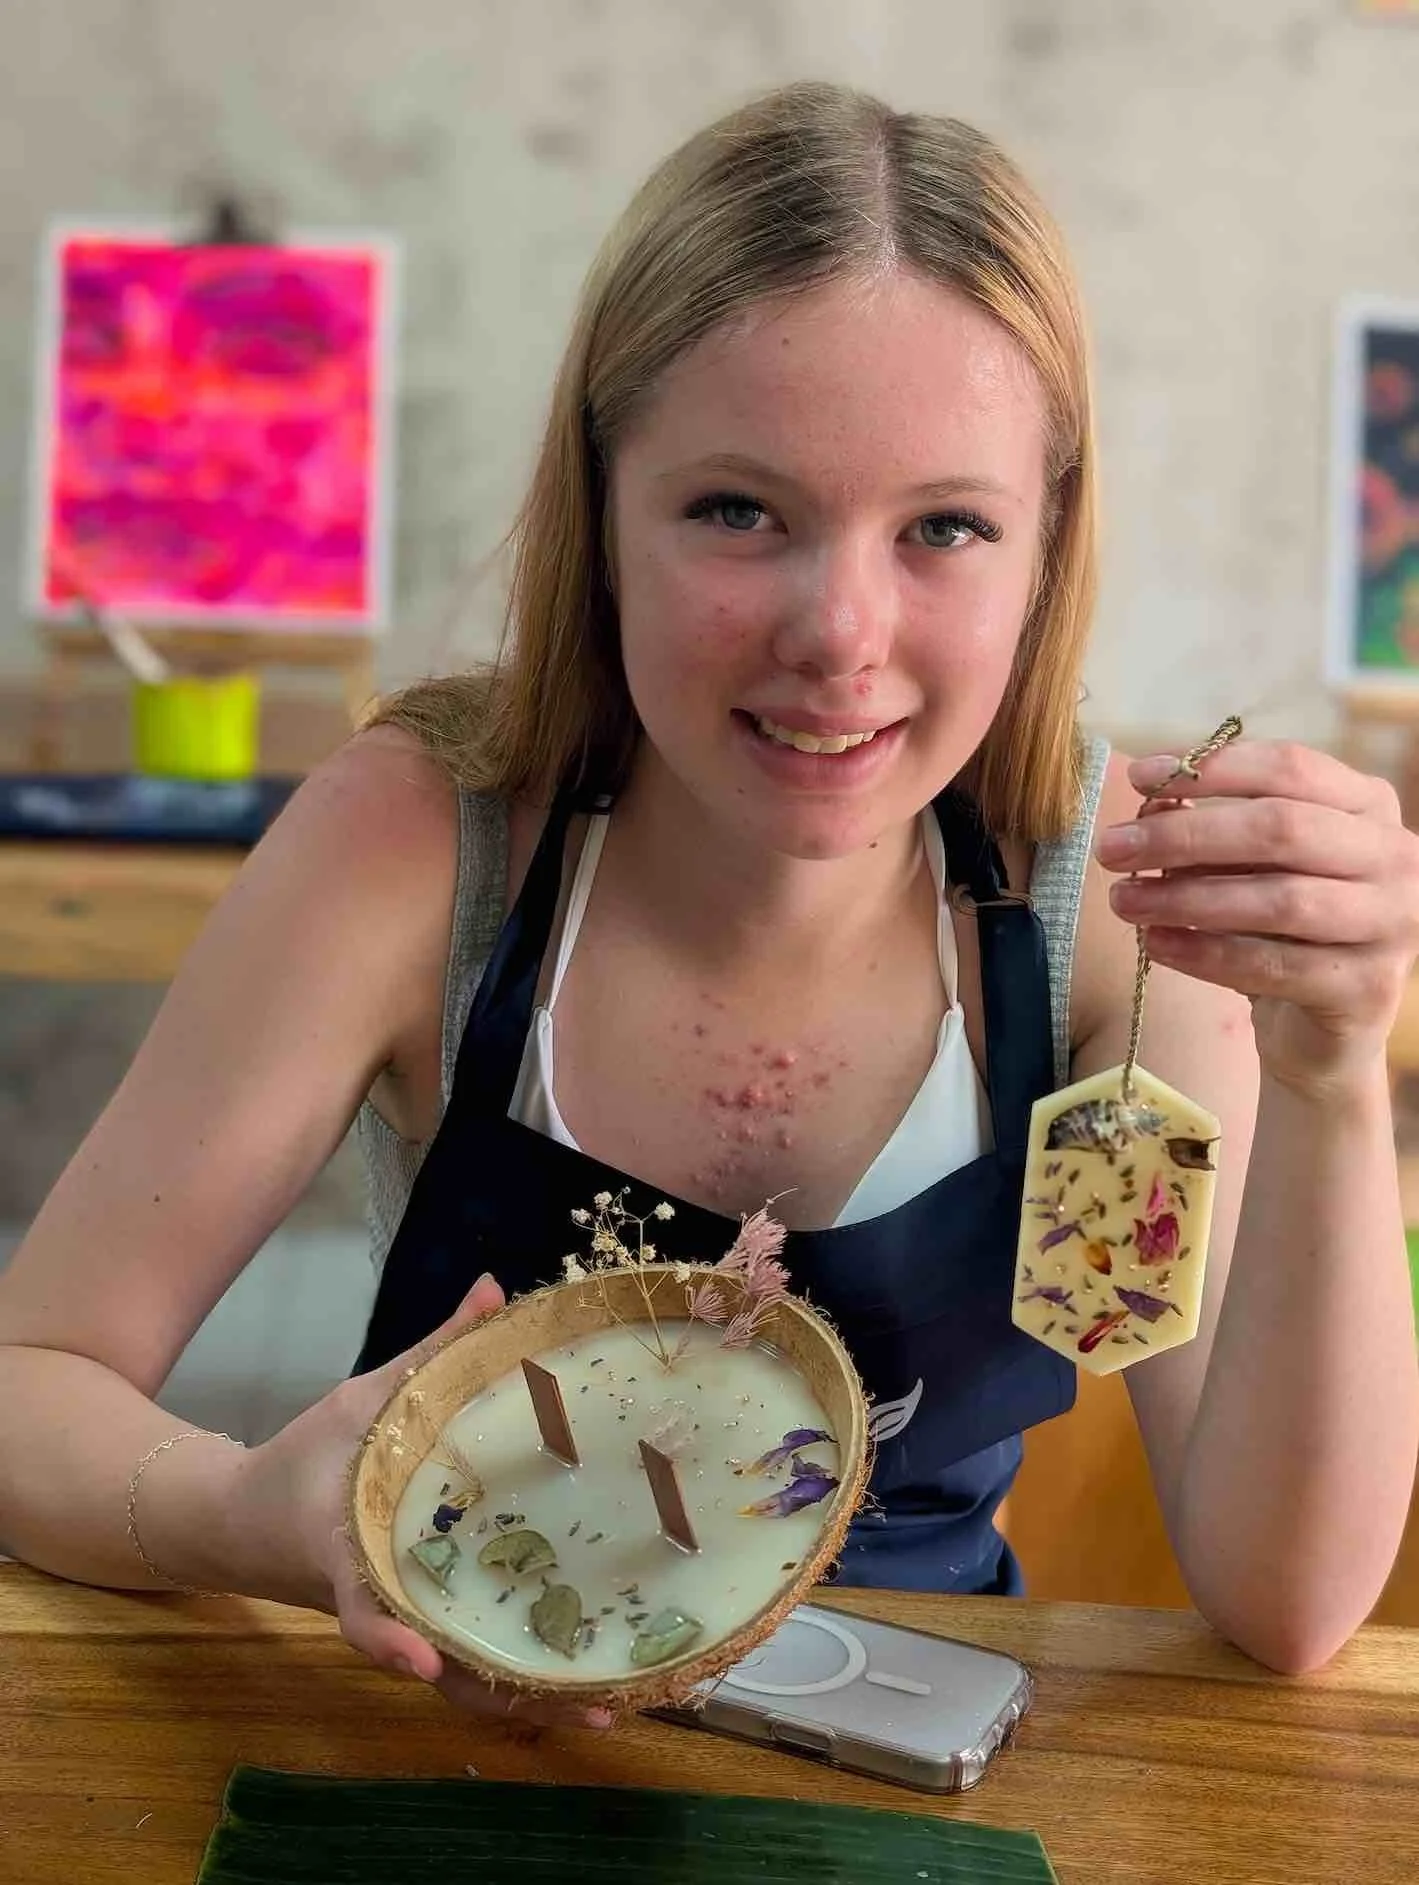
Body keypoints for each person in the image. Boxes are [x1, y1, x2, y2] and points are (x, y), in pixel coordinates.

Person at [1, 84, 1416, 1727]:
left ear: (1045, 550)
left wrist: (1330, 1073)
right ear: (602, 516)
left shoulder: (1092, 913)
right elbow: (34, 1389)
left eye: (944, 527)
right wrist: (251, 1516)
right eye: (738, 511)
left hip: (931, 1764)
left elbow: (1284, 1597)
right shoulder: (422, 847)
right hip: (470, 1759)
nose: (840, 632)